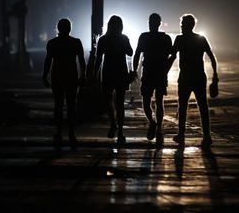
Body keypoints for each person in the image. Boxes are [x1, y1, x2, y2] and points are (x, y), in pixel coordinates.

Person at [168, 14, 218, 148]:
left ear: (189, 25)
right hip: (198, 76)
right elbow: (212, 57)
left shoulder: (180, 39)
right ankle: (206, 135)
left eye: (183, 25)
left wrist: (163, 71)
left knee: (184, 106)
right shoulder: (200, 39)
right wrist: (215, 75)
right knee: (202, 106)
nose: (181, 27)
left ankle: (182, 134)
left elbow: (172, 56)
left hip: (186, 77)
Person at [42, 18, 86, 149]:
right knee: (72, 106)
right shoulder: (76, 42)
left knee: (58, 105)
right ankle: (71, 133)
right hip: (71, 77)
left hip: (57, 77)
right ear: (70, 28)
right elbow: (82, 61)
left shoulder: (52, 43)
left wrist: (45, 75)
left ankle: (59, 133)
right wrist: (83, 75)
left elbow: (48, 61)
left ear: (58, 28)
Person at [133, 13, 172, 145]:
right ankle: (156, 125)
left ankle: (155, 124)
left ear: (156, 23)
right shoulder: (164, 38)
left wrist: (135, 69)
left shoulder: (146, 37)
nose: (151, 24)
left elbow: (137, 54)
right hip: (157, 72)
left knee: (150, 100)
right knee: (154, 101)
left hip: (151, 72)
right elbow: (171, 55)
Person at [94, 15, 133, 144]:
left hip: (108, 72)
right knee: (120, 103)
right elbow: (130, 52)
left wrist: (95, 74)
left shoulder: (103, 39)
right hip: (121, 72)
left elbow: (99, 58)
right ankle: (120, 130)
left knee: (107, 100)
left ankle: (113, 123)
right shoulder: (123, 38)